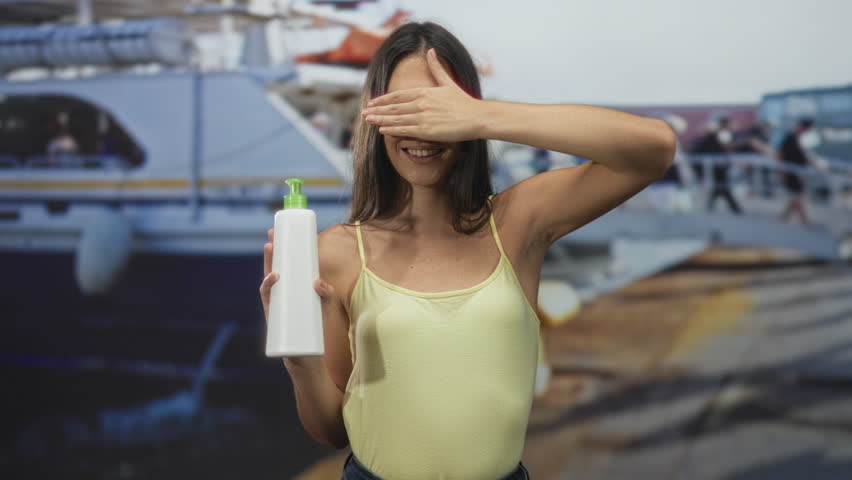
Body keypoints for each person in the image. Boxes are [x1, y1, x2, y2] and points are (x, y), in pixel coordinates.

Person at [259, 22, 674, 480]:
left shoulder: (518, 222)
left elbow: (653, 148)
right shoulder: (336, 251)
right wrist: (301, 362)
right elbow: (332, 430)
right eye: (405, 106)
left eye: (438, 107)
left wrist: (482, 116)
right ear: (372, 115)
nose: (424, 126)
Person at [692, 115, 742, 214]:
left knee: (720, 187)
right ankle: (735, 209)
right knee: (723, 186)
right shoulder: (721, 134)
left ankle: (712, 206)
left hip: (717, 165)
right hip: (717, 165)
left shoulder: (718, 134)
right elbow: (726, 148)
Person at [778, 118, 816, 224]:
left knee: (796, 196)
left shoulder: (797, 138)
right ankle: (804, 220)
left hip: (796, 172)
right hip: (791, 172)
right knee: (797, 196)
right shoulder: (790, 138)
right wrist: (782, 172)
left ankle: (784, 217)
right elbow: (781, 155)